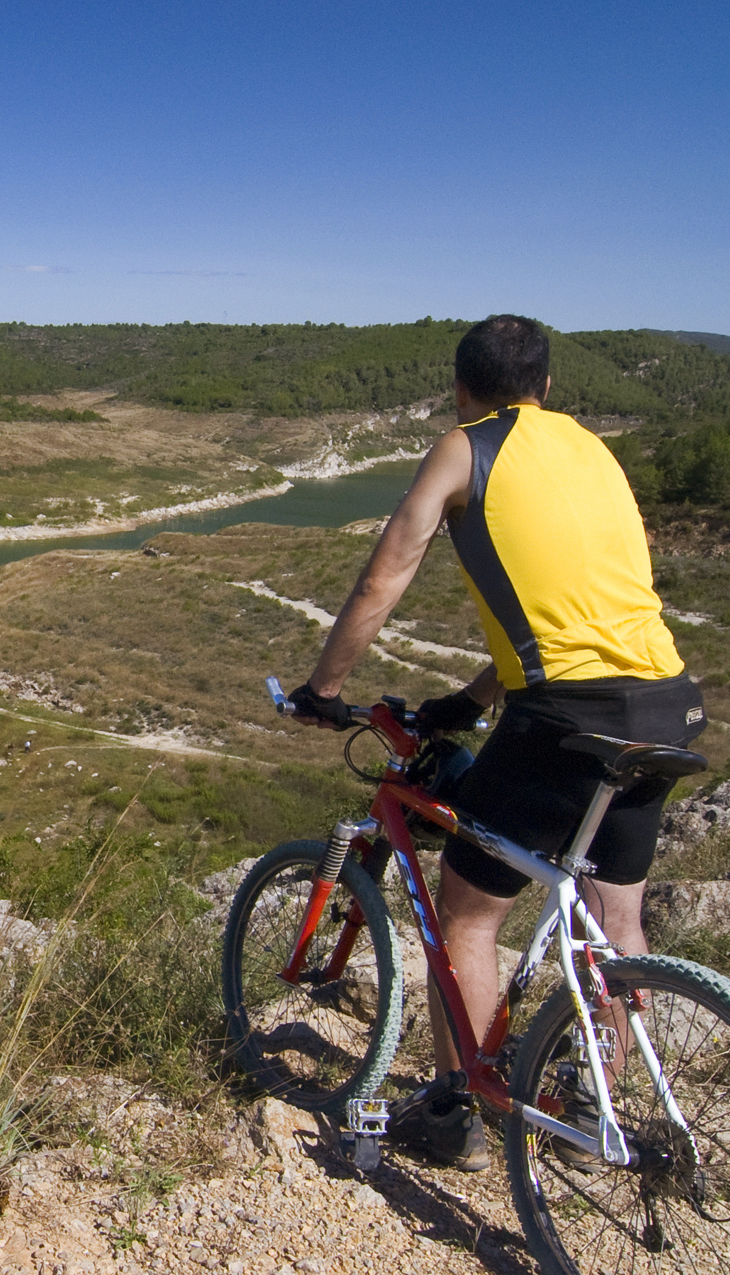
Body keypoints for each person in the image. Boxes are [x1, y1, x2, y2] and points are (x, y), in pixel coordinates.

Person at [291, 314, 704, 1172]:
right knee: (616, 918)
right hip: (668, 702)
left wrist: (324, 688)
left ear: (461, 388)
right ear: (548, 387)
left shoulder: (464, 446)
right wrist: (474, 698)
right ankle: (593, 1101)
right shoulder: (593, 448)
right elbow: (578, 609)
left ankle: (457, 1110)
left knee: (468, 913)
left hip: (568, 717)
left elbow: (387, 570)